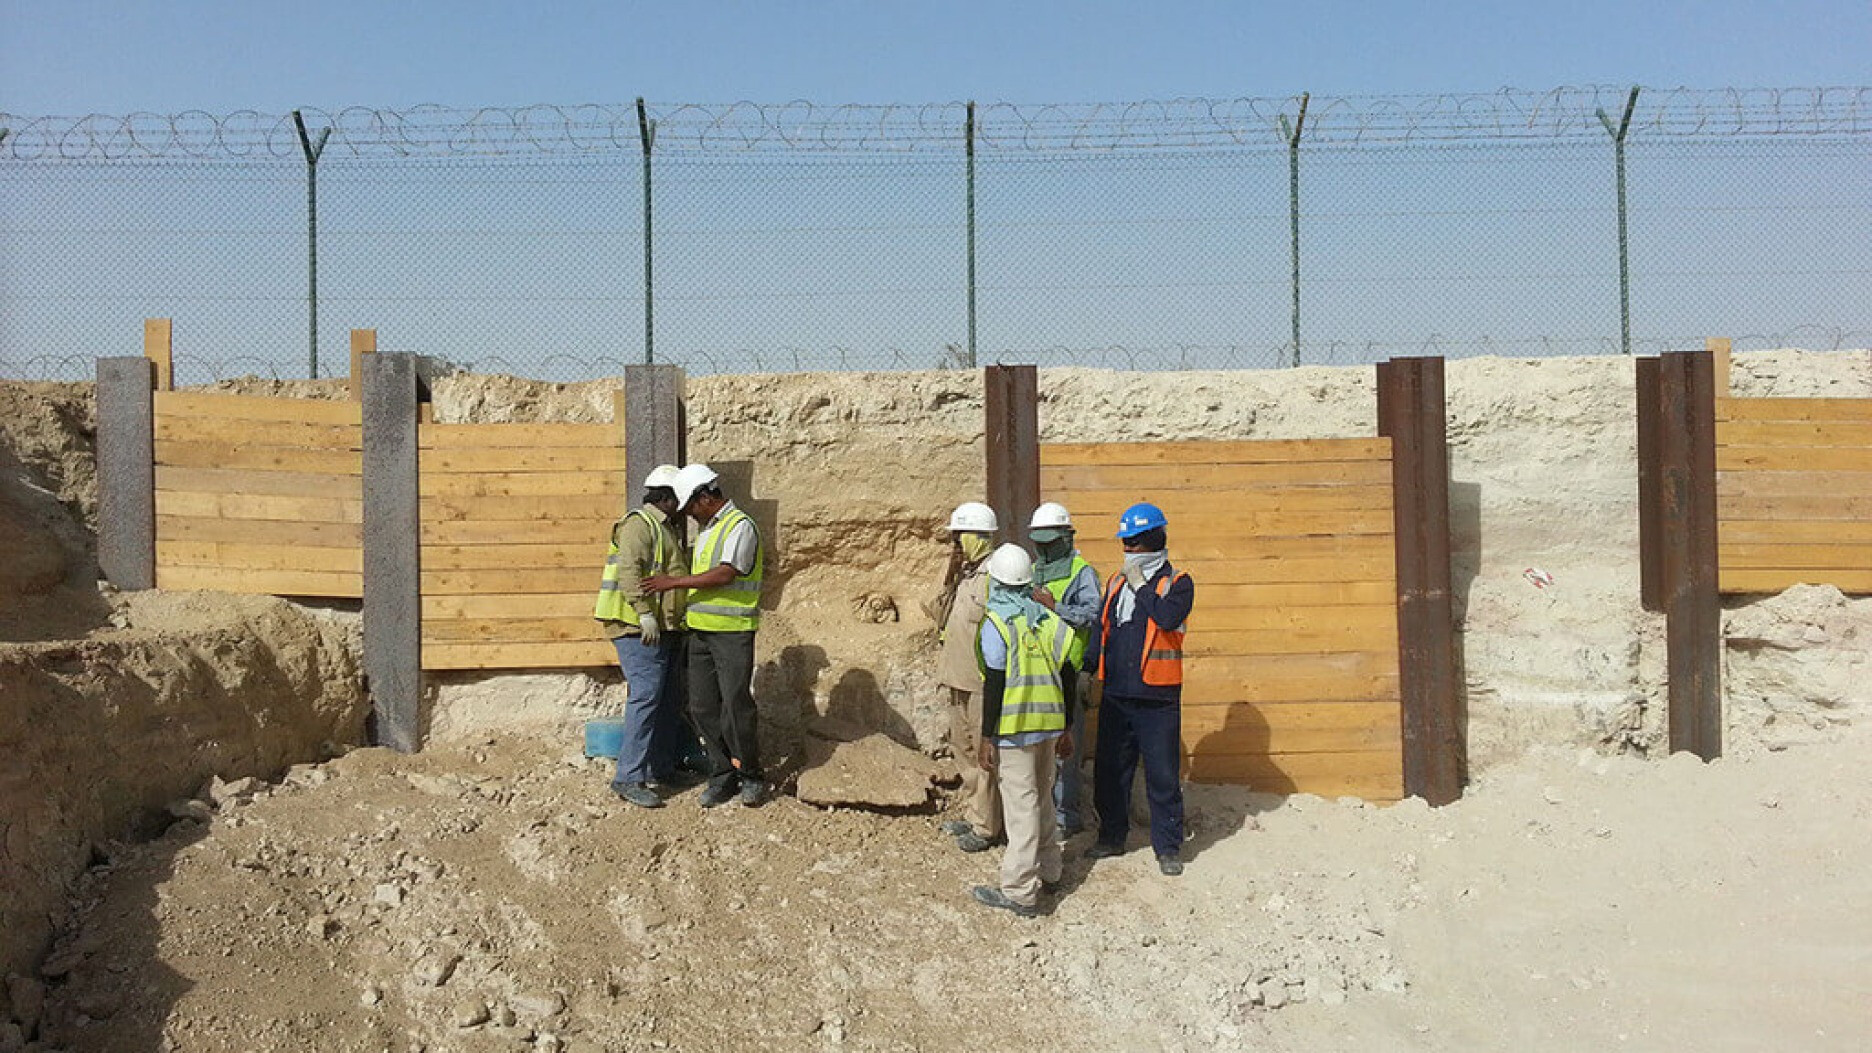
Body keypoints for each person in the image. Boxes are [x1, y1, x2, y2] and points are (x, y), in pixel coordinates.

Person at [643, 464, 768, 808]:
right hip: (699, 632)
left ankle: (752, 775)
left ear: (704, 497)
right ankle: (722, 774)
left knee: (736, 707)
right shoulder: (709, 529)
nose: (689, 515)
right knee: (701, 707)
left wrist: (673, 583)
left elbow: (726, 574)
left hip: (731, 633)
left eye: (690, 508)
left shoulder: (739, 526)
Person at [1086, 502, 1196, 876]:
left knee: (1162, 775)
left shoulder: (1177, 584)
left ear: (1151, 540)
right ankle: (1111, 837)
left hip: (1157, 698)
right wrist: (1088, 670)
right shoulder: (1116, 582)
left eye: (1133, 542)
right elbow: (1102, 631)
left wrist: (1142, 586)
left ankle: (1167, 847)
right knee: (1111, 770)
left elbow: (1166, 617)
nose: (1127, 549)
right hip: (1117, 693)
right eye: (1125, 543)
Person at [969, 544, 1075, 918]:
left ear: (995, 582)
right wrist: (1068, 726)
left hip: (1015, 729)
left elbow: (995, 683)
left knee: (1022, 807)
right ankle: (1050, 870)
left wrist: (987, 736)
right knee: (1043, 798)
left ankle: (1020, 891)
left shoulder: (996, 623)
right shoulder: (1047, 620)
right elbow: (1068, 672)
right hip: (1049, 724)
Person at [594, 464, 697, 808]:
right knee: (646, 698)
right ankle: (628, 777)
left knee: (667, 699)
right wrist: (644, 612)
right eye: (680, 498)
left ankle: (662, 766)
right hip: (637, 629)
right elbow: (629, 571)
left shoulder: (663, 527)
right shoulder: (639, 525)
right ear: (667, 498)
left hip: (662, 629)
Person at [928, 501, 1004, 854]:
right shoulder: (967, 574)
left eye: (960, 537)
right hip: (957, 676)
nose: (956, 544)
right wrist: (950, 572)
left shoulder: (996, 576)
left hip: (981, 682)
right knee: (964, 751)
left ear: (979, 536)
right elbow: (937, 612)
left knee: (985, 756)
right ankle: (976, 816)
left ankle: (988, 826)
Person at [1026, 501, 1100, 840]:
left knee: (1066, 748)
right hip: (1039, 668)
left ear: (1066, 537)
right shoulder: (1035, 568)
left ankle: (1068, 817)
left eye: (1049, 541)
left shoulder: (1081, 571)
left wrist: (1055, 608)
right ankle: (1046, 812)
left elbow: (1092, 615)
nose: (1043, 548)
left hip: (1068, 669)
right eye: (1039, 542)